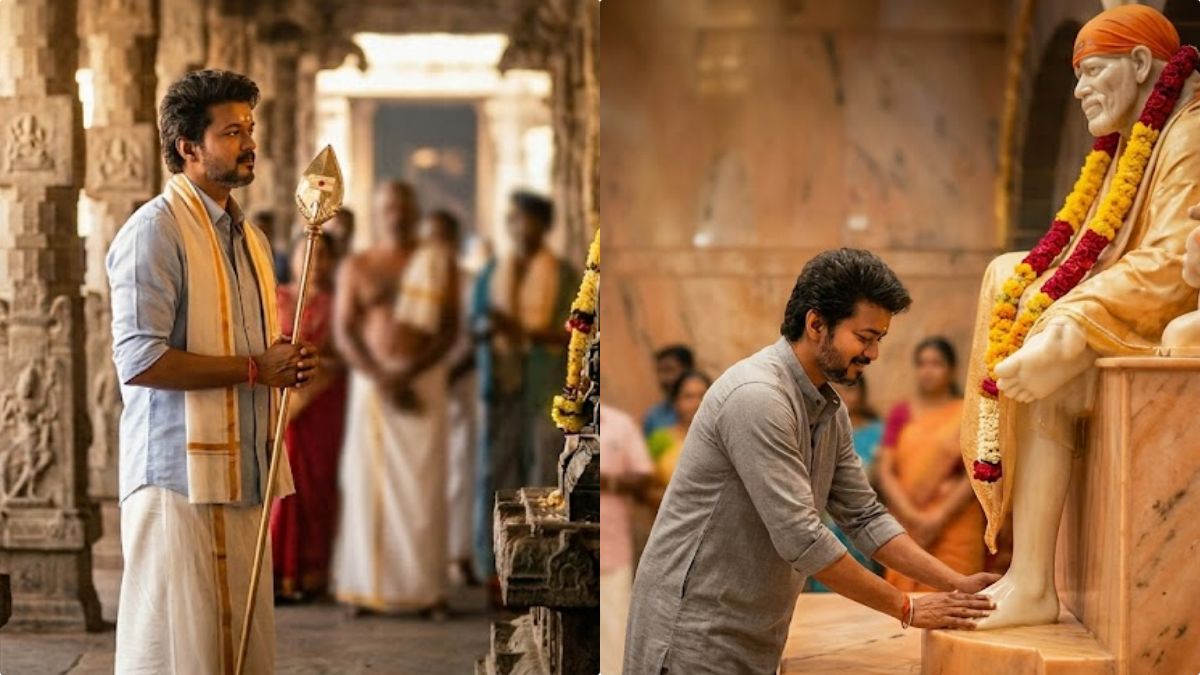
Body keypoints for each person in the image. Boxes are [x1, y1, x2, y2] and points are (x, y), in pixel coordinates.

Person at [623, 249, 998, 674]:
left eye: (879, 340)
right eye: (865, 337)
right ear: (816, 324)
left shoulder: (828, 407)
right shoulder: (758, 396)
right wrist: (907, 607)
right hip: (692, 633)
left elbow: (864, 515)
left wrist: (956, 584)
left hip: (753, 631)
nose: (873, 354)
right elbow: (801, 538)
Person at [107, 69, 317, 674]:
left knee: (238, 648)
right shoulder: (155, 231)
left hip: (242, 467)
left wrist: (283, 357)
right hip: (177, 475)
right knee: (178, 650)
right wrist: (257, 367)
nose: (249, 142)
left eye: (249, 128)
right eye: (231, 132)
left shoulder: (246, 234)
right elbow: (140, 359)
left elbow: (243, 341)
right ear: (188, 148)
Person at [332, 182, 459, 616]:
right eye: (388, 208)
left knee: (423, 490)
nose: (396, 216)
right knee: (367, 486)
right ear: (377, 212)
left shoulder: (437, 263)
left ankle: (427, 592)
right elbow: (345, 330)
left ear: (415, 211)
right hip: (372, 387)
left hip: (423, 383)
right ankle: (365, 587)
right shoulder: (359, 265)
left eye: (404, 208)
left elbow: (449, 328)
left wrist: (410, 371)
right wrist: (380, 375)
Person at [471, 190, 579, 588]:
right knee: (495, 472)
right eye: (514, 219)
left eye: (527, 219)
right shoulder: (493, 270)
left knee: (540, 471)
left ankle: (539, 563)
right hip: (500, 383)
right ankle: (491, 568)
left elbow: (576, 332)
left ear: (543, 225)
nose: (520, 227)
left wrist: (524, 331)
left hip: (542, 386)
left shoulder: (564, 275)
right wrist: (490, 331)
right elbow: (476, 320)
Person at [270, 232, 347, 602]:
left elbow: (344, 354)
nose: (314, 263)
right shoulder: (275, 297)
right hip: (280, 402)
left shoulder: (336, 305)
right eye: (307, 254)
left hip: (322, 402)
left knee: (315, 486)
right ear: (295, 258)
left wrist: (315, 369)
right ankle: (279, 570)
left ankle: (312, 572)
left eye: (322, 257)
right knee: (279, 484)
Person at [877, 337, 984, 592]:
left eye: (936, 364)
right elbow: (885, 470)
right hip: (906, 522)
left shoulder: (967, 412)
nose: (928, 371)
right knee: (904, 605)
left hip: (956, 522)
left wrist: (939, 517)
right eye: (922, 364)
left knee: (955, 599)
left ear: (951, 369)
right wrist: (912, 517)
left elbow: (975, 472)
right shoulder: (901, 413)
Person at [426, 209, 479, 584]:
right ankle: (428, 556)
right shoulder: (412, 281)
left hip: (462, 385)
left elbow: (478, 337)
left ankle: (460, 554)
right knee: (429, 472)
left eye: (443, 237)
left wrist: (448, 374)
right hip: (424, 387)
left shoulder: (470, 283)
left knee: (462, 472)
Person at [808, 376, 885, 591]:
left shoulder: (876, 432)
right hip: (824, 525)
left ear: (862, 393)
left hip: (859, 521)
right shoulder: (817, 430)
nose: (845, 398)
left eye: (851, 390)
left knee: (864, 589)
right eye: (838, 391)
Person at [599, 403, 655, 675]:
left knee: (616, 630)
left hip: (613, 547)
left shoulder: (621, 424)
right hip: (574, 545)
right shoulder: (565, 419)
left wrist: (608, 482)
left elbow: (643, 476)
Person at [645, 370, 710, 488]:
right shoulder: (660, 439)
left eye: (703, 396)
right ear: (675, 402)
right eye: (688, 397)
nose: (697, 403)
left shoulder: (722, 440)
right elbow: (646, 488)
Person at [642, 345, 694, 436]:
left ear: (688, 370)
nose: (663, 379)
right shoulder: (654, 416)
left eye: (669, 370)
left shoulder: (710, 408)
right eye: (660, 371)